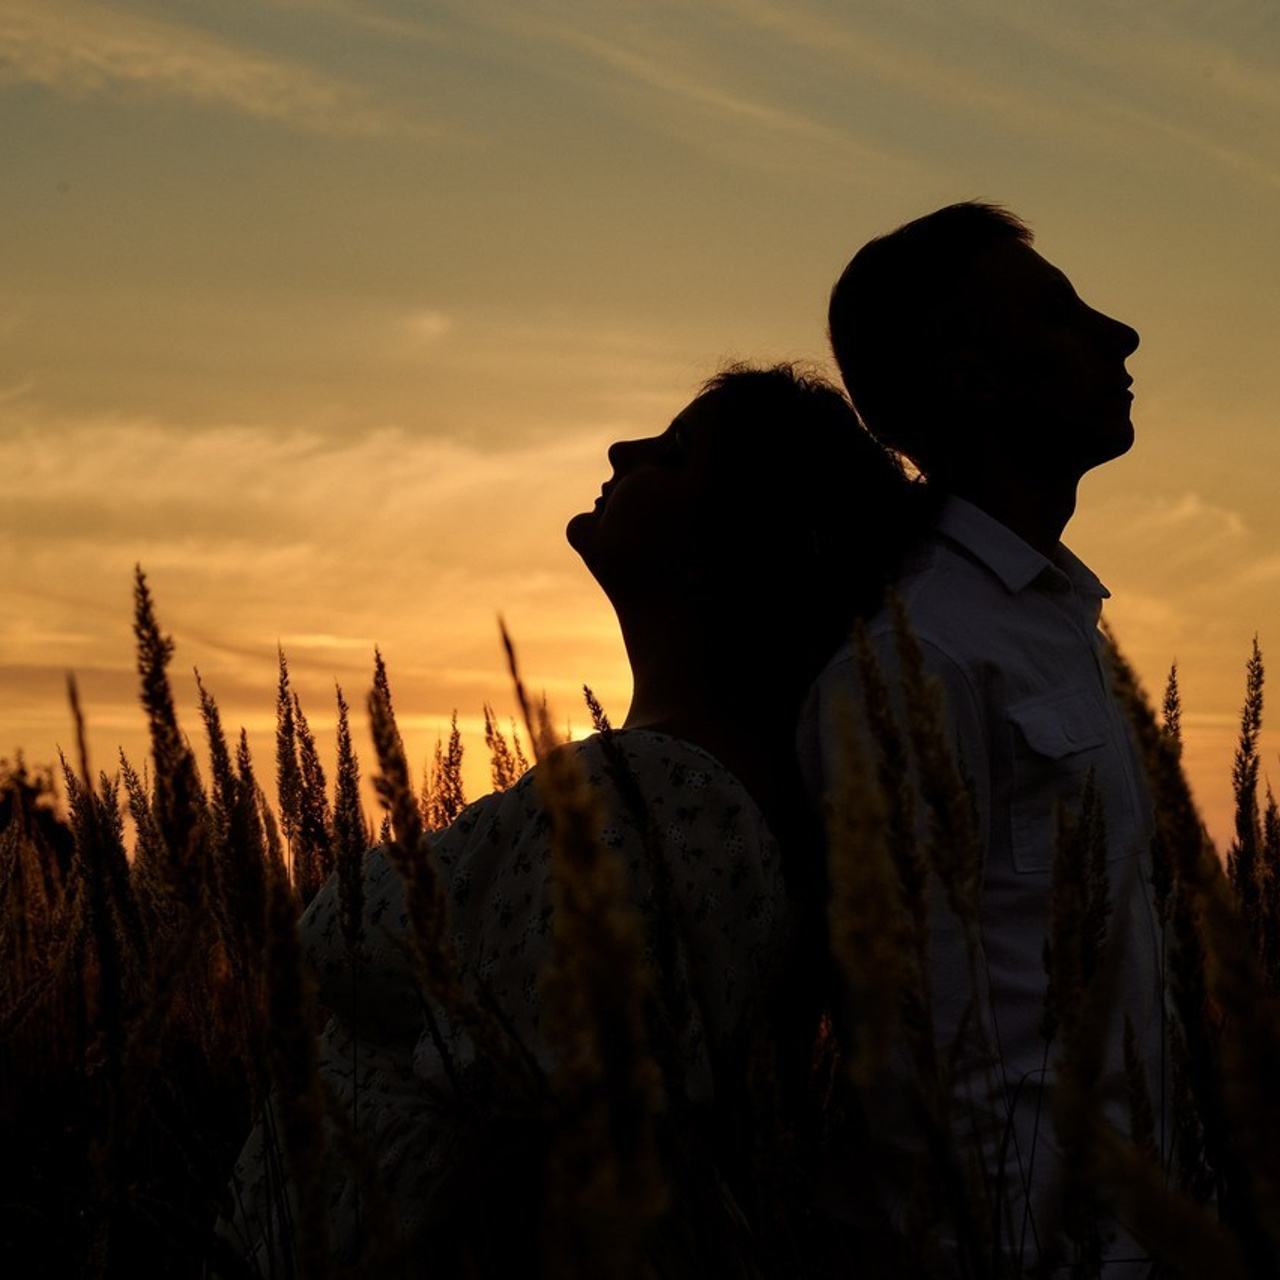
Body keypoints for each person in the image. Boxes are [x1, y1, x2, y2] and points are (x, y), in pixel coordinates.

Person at [217, 363, 923, 1276]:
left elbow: (549, 1143)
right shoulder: (670, 777)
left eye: (672, 453)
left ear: (741, 540)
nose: (620, 450)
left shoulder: (664, 796)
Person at [801, 202, 1164, 1275]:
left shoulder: (1052, 616)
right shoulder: (916, 659)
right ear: (972, 378)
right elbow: (923, 1051)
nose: (1119, 334)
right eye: (1060, 317)